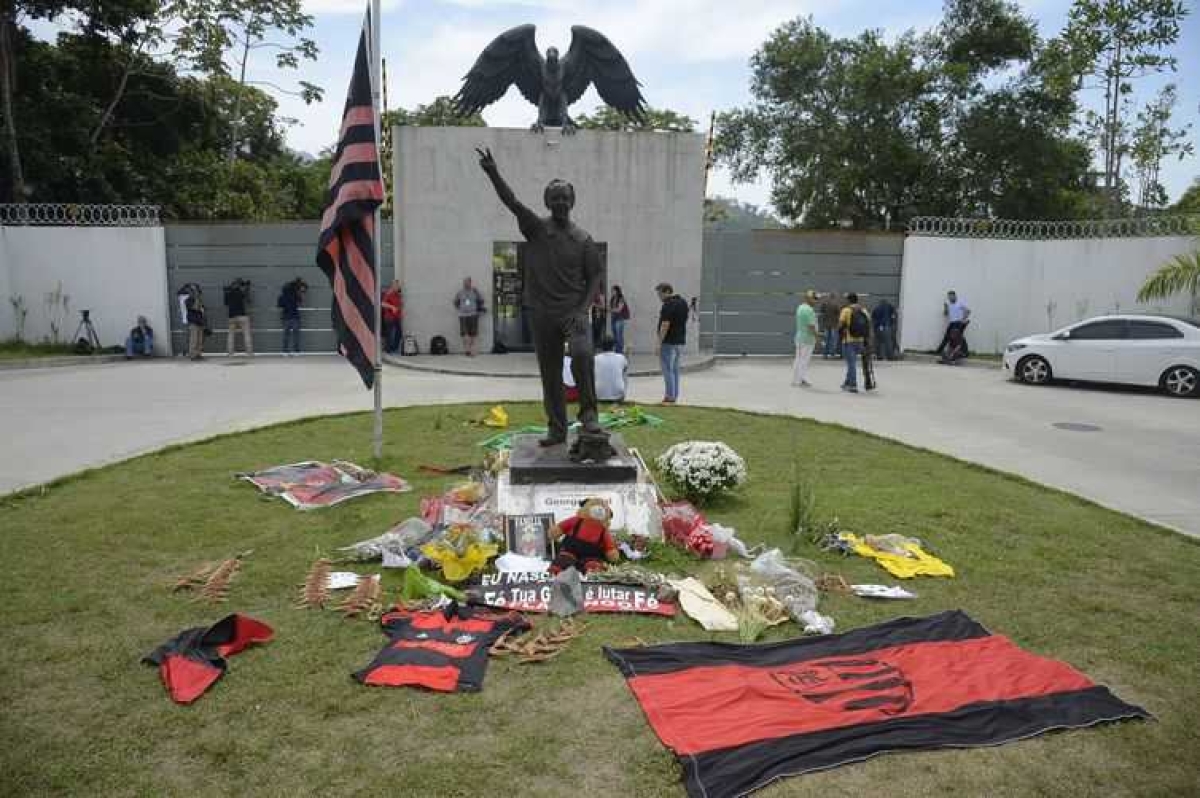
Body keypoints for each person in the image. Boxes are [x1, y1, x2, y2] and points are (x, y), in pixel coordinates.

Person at [476, 147, 603, 449]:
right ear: (547, 202)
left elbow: (595, 276)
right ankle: (557, 428)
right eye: (555, 198)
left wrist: (582, 310)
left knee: (583, 355)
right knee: (550, 373)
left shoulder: (584, 240)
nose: (560, 202)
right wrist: (493, 173)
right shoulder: (536, 229)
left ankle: (589, 417)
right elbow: (512, 202)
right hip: (542, 313)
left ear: (572, 201)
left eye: (565, 198)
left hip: (572, 312)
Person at [656, 282, 688, 404]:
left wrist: (658, 343)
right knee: (675, 369)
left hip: (668, 341)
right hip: (679, 340)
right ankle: (674, 395)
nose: (659, 297)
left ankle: (669, 396)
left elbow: (665, 324)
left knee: (667, 369)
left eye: (660, 294)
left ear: (667, 292)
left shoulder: (668, 304)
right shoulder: (683, 302)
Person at [838, 292, 872, 393]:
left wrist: (840, 334)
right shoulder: (863, 310)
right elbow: (868, 324)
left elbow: (840, 324)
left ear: (848, 300)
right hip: (860, 341)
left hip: (849, 341)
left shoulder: (846, 310)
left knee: (851, 364)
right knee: (852, 363)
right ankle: (847, 382)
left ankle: (853, 385)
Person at [453, 276, 485, 356]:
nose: (465, 284)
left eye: (467, 282)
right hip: (463, 315)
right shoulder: (460, 292)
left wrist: (477, 308)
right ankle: (467, 350)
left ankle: (471, 350)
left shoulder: (475, 291)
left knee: (473, 334)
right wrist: (462, 309)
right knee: (464, 333)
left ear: (470, 283)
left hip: (473, 315)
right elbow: (455, 302)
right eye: (464, 282)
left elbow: (481, 301)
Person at [793, 290, 819, 387]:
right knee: (803, 360)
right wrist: (817, 337)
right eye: (814, 299)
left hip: (801, 338)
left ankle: (800, 378)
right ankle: (797, 380)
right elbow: (811, 326)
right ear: (808, 298)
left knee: (800, 359)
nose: (816, 301)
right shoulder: (809, 310)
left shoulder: (800, 307)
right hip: (807, 339)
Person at [224, 278, 253, 357]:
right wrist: (247, 288)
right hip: (242, 315)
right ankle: (249, 352)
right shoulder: (240, 292)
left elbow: (226, 303)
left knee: (231, 335)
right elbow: (248, 300)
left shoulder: (228, 292)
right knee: (246, 334)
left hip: (231, 316)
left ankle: (230, 353)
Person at [936, 290, 971, 355]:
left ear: (955, 296)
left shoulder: (960, 303)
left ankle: (964, 352)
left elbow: (968, 311)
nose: (950, 298)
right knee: (948, 337)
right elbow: (945, 314)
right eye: (949, 297)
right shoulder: (948, 304)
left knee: (957, 337)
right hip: (952, 323)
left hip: (958, 322)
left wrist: (963, 319)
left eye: (951, 296)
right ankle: (939, 351)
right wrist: (945, 307)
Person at [594, 337, 628, 403]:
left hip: (599, 395)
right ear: (613, 347)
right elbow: (625, 369)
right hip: (618, 395)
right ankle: (622, 393)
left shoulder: (595, 358)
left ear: (601, 347)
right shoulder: (621, 357)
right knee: (625, 372)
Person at [278, 278, 306, 356]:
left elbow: (280, 306)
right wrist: (299, 292)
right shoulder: (295, 295)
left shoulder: (281, 296)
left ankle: (285, 351)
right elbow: (300, 301)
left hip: (286, 317)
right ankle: (296, 350)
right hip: (295, 317)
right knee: (296, 335)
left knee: (286, 335)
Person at [184, 285, 206, 361]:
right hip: (193, 321)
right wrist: (197, 299)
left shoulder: (199, 300)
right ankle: (193, 355)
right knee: (194, 339)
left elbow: (202, 309)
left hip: (200, 321)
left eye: (197, 292)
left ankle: (198, 354)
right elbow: (195, 308)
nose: (197, 293)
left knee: (200, 340)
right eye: (195, 292)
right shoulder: (188, 300)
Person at [382, 280, 403, 354]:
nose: (398, 286)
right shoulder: (389, 293)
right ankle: (388, 350)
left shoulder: (398, 294)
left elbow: (399, 304)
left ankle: (393, 348)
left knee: (399, 333)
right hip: (389, 317)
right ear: (393, 286)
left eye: (398, 285)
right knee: (389, 334)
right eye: (396, 285)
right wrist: (392, 307)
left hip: (396, 317)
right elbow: (383, 303)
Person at [609, 285, 630, 354]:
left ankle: (620, 351)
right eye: (611, 290)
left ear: (617, 291)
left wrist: (611, 310)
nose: (612, 292)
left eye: (613, 290)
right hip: (613, 318)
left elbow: (619, 309)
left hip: (620, 319)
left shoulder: (621, 299)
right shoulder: (612, 299)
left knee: (619, 336)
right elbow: (611, 308)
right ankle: (616, 350)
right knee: (614, 336)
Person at [819, 294, 842, 359]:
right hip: (834, 324)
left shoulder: (824, 304)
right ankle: (832, 353)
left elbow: (821, 312)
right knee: (834, 339)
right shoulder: (836, 304)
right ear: (834, 297)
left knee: (826, 339)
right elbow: (839, 313)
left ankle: (825, 354)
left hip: (826, 324)